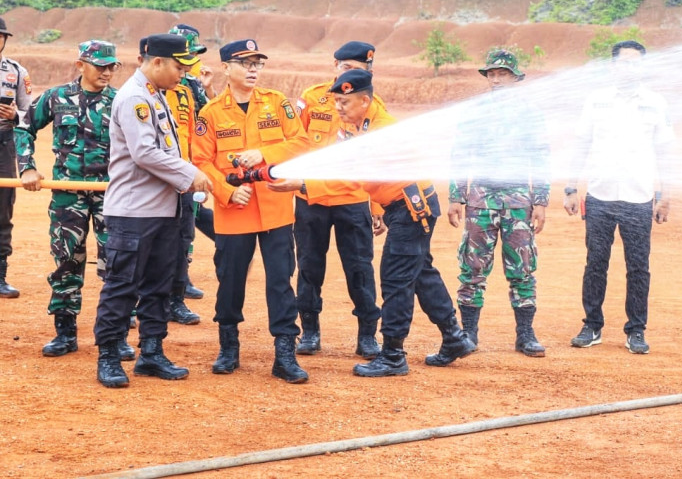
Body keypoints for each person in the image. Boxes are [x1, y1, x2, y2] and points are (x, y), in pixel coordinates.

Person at [311, 69, 474, 377]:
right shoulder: (362, 125)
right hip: (404, 206)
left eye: (344, 102)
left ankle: (393, 355)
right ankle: (454, 338)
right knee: (421, 273)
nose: (337, 108)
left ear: (364, 100)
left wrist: (302, 187)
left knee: (396, 279)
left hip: (410, 210)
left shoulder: (380, 130)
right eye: (335, 101)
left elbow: (352, 177)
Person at [93, 33, 212, 388]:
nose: (183, 74)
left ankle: (151, 353)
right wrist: (191, 174)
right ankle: (110, 357)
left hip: (163, 210)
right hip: (134, 213)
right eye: (178, 66)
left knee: (160, 285)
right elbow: (144, 154)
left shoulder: (157, 95)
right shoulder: (134, 98)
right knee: (122, 286)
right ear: (156, 62)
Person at [192, 38, 310, 384]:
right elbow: (200, 161)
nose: (253, 69)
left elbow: (301, 142)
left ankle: (285, 354)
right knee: (229, 281)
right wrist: (228, 191)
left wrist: (264, 153)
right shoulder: (210, 113)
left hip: (275, 209)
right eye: (245, 63)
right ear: (227, 68)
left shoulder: (277, 104)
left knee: (280, 282)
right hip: (234, 212)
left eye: (258, 63)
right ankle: (228, 349)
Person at [15, 40, 131, 359]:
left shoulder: (120, 101)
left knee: (117, 265)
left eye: (112, 66)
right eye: (100, 66)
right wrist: (27, 167)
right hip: (68, 195)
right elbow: (24, 126)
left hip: (112, 194)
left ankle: (116, 336)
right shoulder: (57, 97)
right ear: (81, 65)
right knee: (67, 262)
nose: (107, 72)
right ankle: (65, 334)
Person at [563, 40, 674, 355]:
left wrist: (666, 193)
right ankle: (592, 325)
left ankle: (636, 330)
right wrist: (571, 186)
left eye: (636, 62)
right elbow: (581, 144)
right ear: (613, 66)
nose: (630, 68)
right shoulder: (596, 100)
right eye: (624, 62)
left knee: (638, 267)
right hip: (600, 196)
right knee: (595, 263)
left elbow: (665, 151)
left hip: (639, 198)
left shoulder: (656, 103)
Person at [448, 49, 550, 357]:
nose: (496, 79)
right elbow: (460, 153)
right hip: (479, 200)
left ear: (515, 78)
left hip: (518, 200)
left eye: (502, 74)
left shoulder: (530, 113)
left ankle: (525, 334)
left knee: (522, 266)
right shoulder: (474, 112)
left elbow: (540, 156)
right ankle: (468, 333)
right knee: (472, 266)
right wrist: (456, 195)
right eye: (491, 74)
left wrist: (541, 200)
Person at [287, 41, 382, 359]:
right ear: (335, 66)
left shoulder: (372, 106)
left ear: (368, 71)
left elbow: (379, 161)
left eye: (357, 67)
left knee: (360, 269)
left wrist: (378, 205)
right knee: (310, 267)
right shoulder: (313, 98)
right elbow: (294, 142)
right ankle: (309, 332)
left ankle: (367, 336)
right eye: (344, 66)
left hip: (353, 200)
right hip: (310, 198)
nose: (349, 71)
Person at [168, 23, 215, 300]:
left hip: (189, 167)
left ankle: (180, 285)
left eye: (195, 54)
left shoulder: (191, 85)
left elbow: (210, 116)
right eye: (189, 54)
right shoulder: (154, 86)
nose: (193, 61)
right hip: (163, 172)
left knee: (187, 228)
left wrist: (206, 89)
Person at [0, 17, 31, 298]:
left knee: (2, 210)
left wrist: (15, 116)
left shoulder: (16, 72)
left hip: (4, 145)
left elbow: (30, 114)